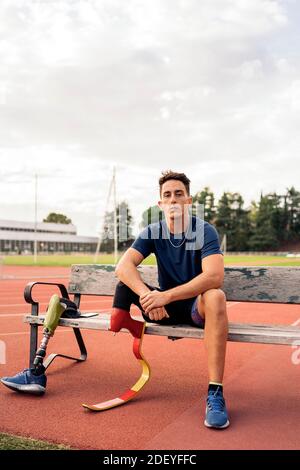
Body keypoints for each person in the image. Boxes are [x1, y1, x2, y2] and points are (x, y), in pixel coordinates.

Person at [112, 170, 229, 429]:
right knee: (129, 283)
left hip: (193, 308)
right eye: (167, 195)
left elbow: (214, 276)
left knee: (216, 296)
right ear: (160, 203)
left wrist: (165, 296)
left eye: (179, 194)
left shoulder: (204, 231)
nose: (173, 199)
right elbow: (123, 267)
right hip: (164, 310)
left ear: (188, 201)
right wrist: (149, 298)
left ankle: (215, 393)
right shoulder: (153, 231)